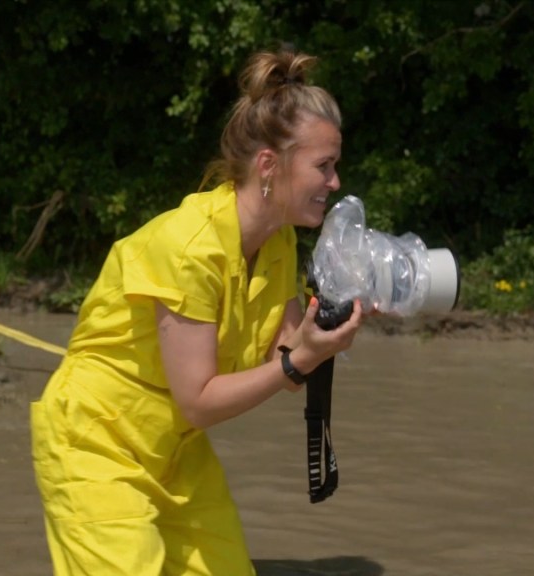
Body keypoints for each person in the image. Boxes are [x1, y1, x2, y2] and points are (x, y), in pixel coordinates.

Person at [30, 47, 364, 576]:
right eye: (323, 166)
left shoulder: (278, 241)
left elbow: (286, 356)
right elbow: (201, 402)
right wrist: (299, 361)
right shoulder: (188, 250)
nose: (336, 182)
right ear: (269, 166)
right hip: (96, 442)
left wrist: (333, 323)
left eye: (335, 166)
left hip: (175, 450)